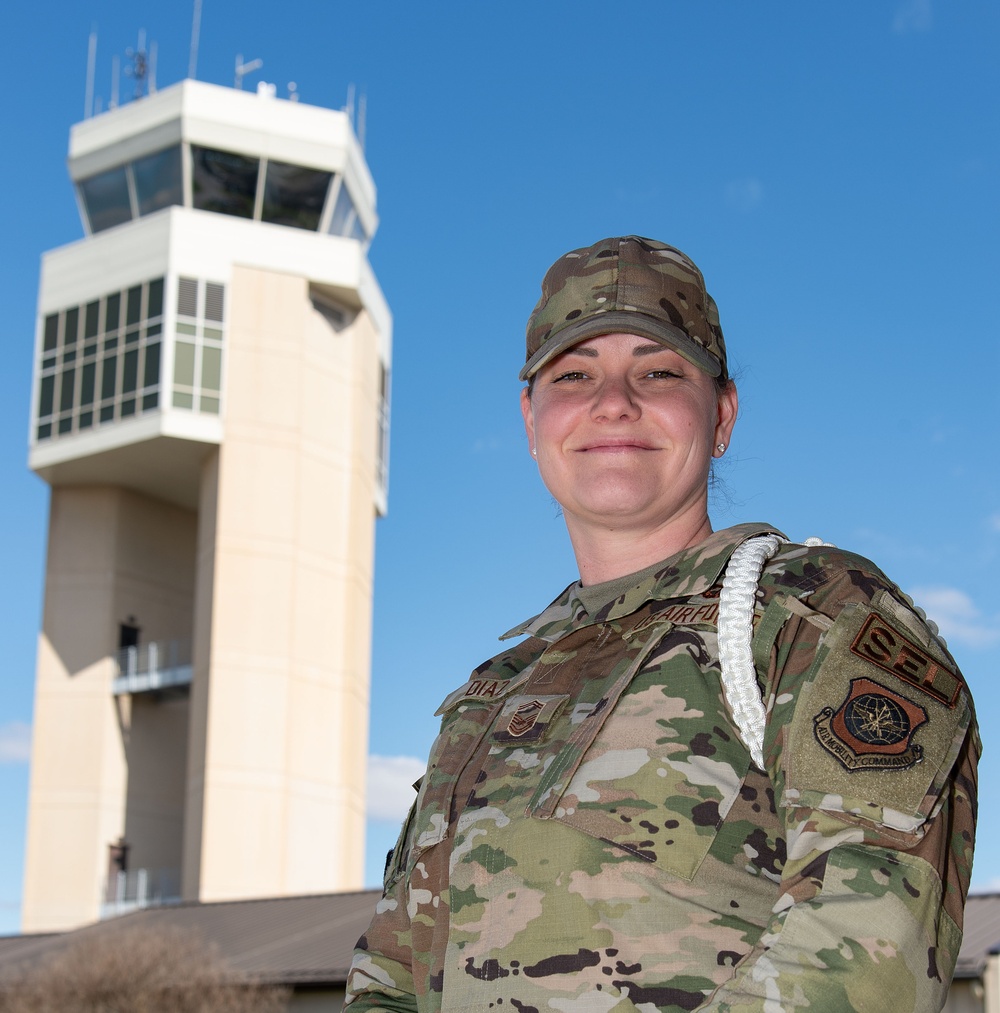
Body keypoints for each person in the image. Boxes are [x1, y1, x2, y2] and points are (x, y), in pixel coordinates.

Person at [346, 236, 979, 1013]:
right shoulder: (491, 696)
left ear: (722, 415)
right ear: (531, 418)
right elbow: (389, 974)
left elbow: (867, 951)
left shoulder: (811, 618)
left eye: (659, 370)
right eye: (574, 374)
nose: (614, 400)